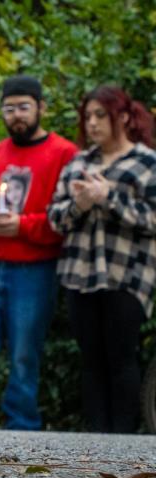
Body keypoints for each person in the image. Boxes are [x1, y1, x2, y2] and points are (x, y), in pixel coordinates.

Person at [0, 75, 78, 430]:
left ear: (41, 107)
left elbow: (67, 215)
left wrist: (24, 226)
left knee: (25, 351)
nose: (17, 116)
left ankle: (22, 428)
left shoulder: (65, 154)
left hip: (35, 267)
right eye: (9, 109)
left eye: (24, 107)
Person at [47, 85, 156, 433]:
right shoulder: (79, 162)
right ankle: (96, 441)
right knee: (91, 358)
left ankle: (123, 441)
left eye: (100, 115)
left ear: (122, 117)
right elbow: (54, 217)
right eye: (88, 116)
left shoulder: (146, 162)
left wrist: (109, 197)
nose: (92, 123)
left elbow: (152, 219)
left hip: (128, 274)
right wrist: (80, 204)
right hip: (80, 273)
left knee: (121, 355)